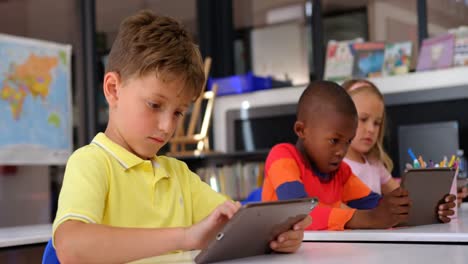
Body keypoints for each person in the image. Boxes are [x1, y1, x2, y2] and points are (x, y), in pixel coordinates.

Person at [53, 10, 310, 263]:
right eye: (154, 105)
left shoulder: (179, 176)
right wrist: (184, 237)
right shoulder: (91, 163)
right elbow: (71, 247)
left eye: (178, 112)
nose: (167, 126)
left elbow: (237, 226)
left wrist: (276, 236)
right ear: (113, 89)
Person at [261, 81, 455, 230]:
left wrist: (427, 211)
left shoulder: (341, 172)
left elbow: (378, 206)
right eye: (334, 140)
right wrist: (370, 219)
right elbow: (300, 213)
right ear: (301, 130)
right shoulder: (283, 157)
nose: (341, 151)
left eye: (347, 142)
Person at [343, 79, 464, 209]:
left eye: (377, 123)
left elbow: (404, 198)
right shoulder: (337, 167)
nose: (371, 129)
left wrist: (444, 199)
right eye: (363, 119)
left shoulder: (375, 164)